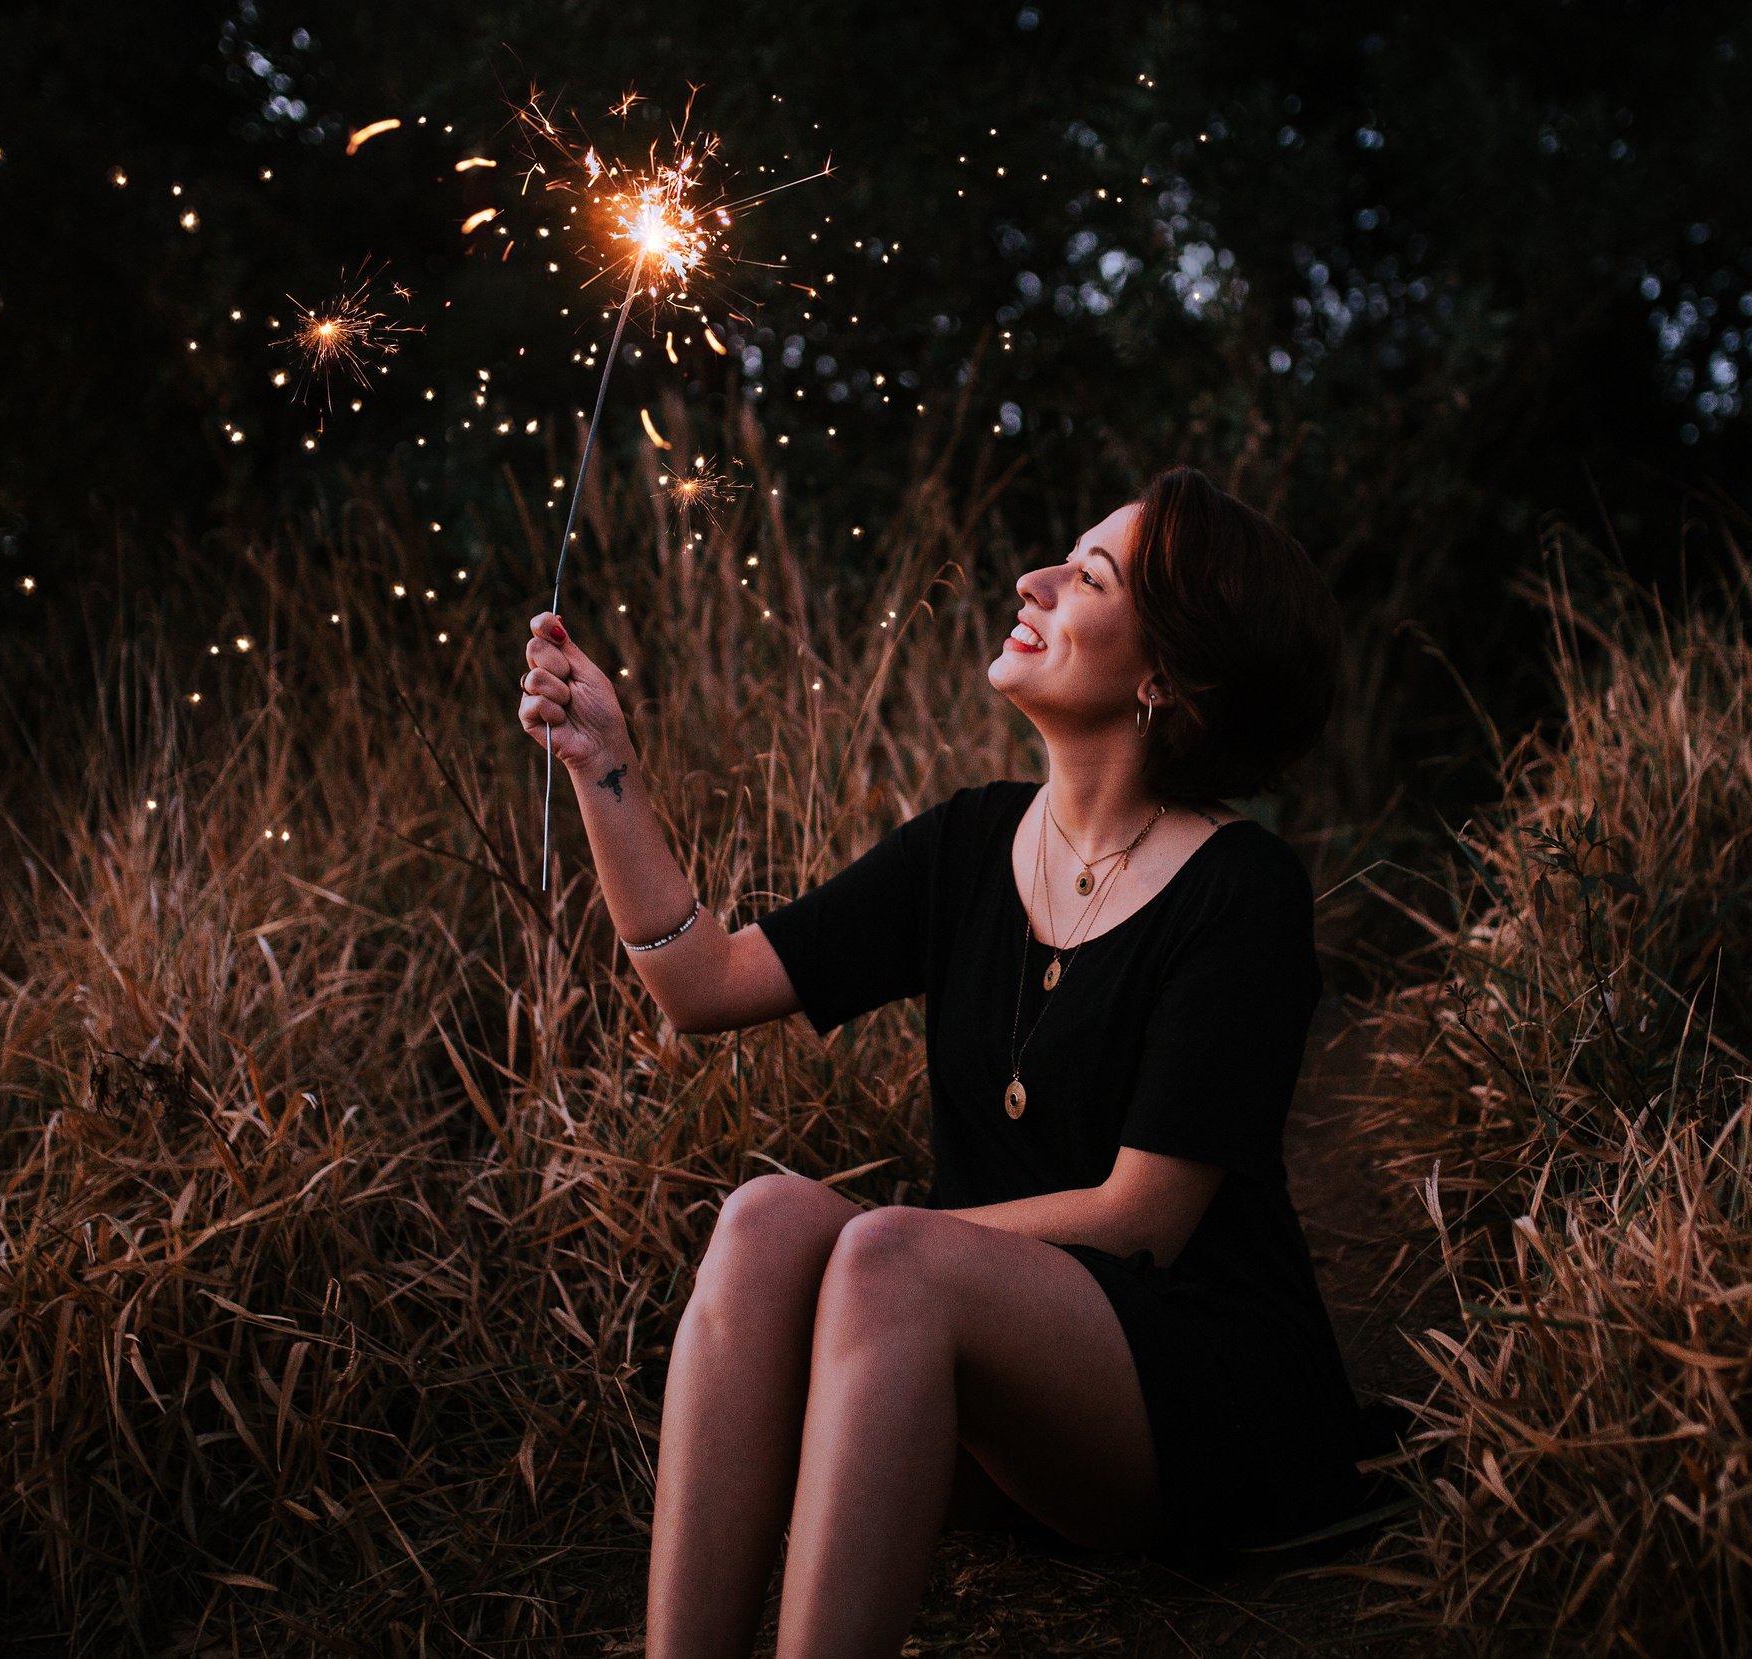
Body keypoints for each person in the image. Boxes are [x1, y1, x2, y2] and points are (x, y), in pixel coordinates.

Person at [515, 465, 1396, 1659]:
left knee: (883, 1252)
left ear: (1162, 675)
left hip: (1196, 1399)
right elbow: (701, 985)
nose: (1031, 580)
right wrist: (600, 763)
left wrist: (892, 1254)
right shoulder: (971, 843)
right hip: (994, 1384)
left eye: (1088, 576)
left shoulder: (1239, 892)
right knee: (768, 1217)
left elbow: (1145, 1218)